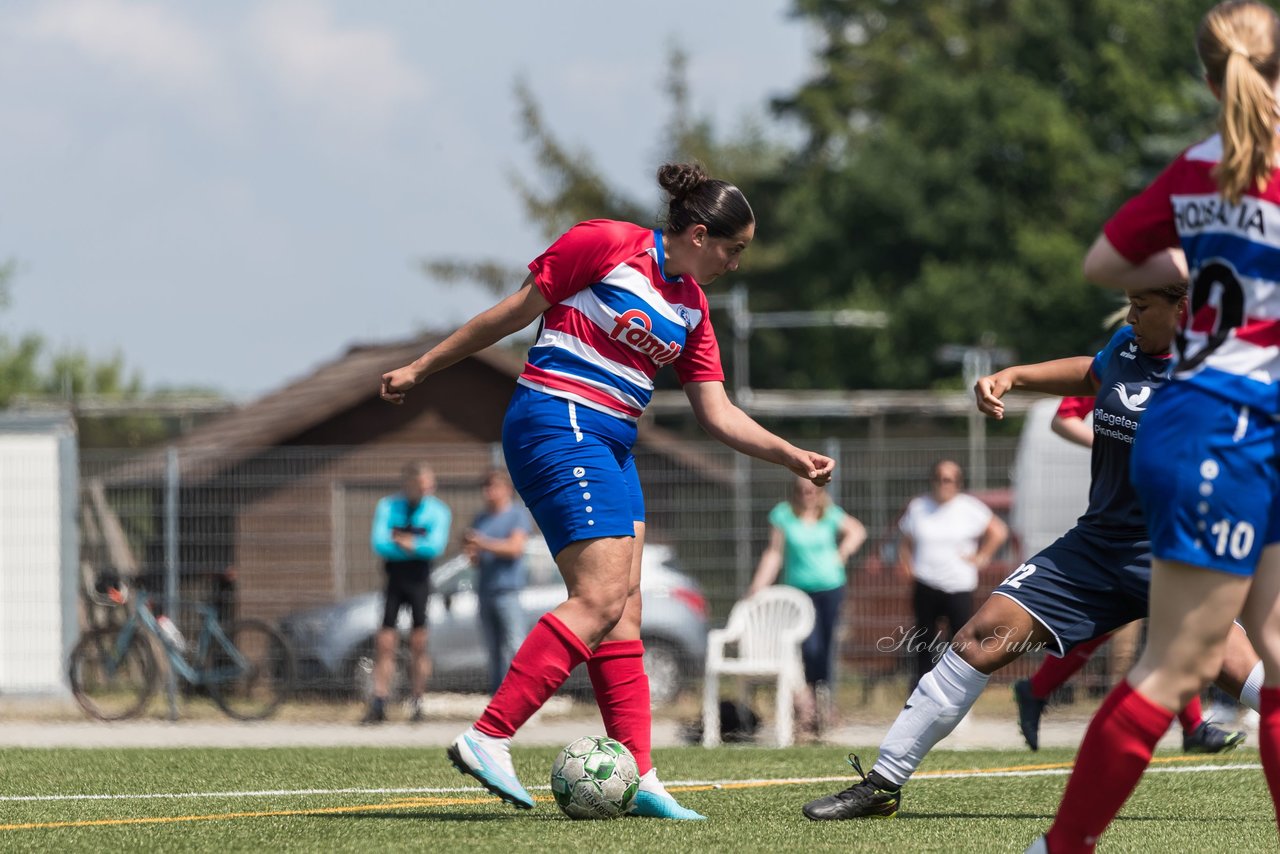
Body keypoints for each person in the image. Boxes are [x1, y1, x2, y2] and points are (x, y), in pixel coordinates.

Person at [380, 162, 835, 819]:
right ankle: (490, 735)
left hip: (613, 444)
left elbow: (718, 412)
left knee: (625, 608)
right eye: (734, 251)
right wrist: (423, 367)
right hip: (556, 420)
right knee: (595, 596)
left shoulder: (692, 308)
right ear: (700, 235)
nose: (736, 265)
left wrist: (788, 455)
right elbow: (510, 314)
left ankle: (641, 775)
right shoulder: (606, 243)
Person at [802, 284, 1265, 824]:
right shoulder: (1126, 346)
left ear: (1183, 308)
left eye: (1142, 307)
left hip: (1172, 554)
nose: (1131, 316)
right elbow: (1091, 374)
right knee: (979, 639)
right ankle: (881, 785)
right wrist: (1014, 377)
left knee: (1240, 671)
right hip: (1094, 547)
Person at [1032, 4, 1280, 849]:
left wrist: (1194, 261)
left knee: (1276, 656)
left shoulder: (1198, 168)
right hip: (1225, 425)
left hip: (1224, 421)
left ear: (1209, 79)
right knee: (1176, 663)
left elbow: (1104, 264)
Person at [1016, 395, 1244, 754]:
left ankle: (1038, 689)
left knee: (1157, 621)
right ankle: (1193, 726)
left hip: (1162, 523)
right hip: (1123, 526)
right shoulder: (1123, 363)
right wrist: (1116, 444)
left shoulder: (1195, 370)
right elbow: (1063, 418)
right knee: (1161, 620)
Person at [747, 476, 867, 738]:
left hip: (831, 588)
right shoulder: (783, 515)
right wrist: (758, 587)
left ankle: (824, 704)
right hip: (799, 593)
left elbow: (857, 531)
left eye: (811, 491)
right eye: (802, 490)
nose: (807, 495)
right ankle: (807, 704)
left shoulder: (830, 514)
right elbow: (774, 553)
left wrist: (843, 553)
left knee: (825, 648)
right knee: (808, 648)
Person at [897, 459, 1009, 689]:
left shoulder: (969, 507)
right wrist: (907, 566)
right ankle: (920, 692)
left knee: (959, 642)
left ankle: (957, 693)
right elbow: (906, 541)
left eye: (948, 479)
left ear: (958, 482)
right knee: (924, 642)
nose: (943, 484)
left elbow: (998, 531)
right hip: (926, 583)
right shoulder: (919, 506)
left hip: (959, 585)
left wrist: (982, 557)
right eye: (938, 478)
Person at [362, 461, 451, 725]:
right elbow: (379, 543)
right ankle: (379, 700)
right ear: (410, 485)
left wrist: (407, 542)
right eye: (423, 486)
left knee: (418, 643)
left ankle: (417, 700)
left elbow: (434, 547)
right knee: (385, 642)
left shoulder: (438, 510)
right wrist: (411, 546)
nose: (428, 490)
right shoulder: (388, 506)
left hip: (420, 580)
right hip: (394, 579)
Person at [463, 469, 533, 695]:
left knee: (515, 646)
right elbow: (476, 557)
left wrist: (482, 543)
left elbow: (515, 549)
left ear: (506, 489)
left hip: (508, 592)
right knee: (493, 650)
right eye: (485, 487)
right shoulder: (481, 518)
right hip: (485, 591)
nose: (487, 492)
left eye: (492, 486)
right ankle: (499, 699)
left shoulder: (517, 515)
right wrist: (472, 551)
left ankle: (521, 696)